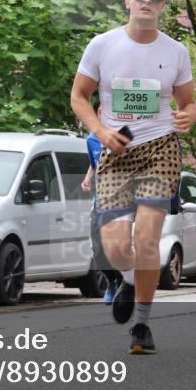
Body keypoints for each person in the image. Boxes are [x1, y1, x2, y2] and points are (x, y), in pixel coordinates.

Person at [70, 0, 196, 355]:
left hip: (160, 149)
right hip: (116, 152)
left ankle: (141, 324)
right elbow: (79, 97)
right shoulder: (102, 45)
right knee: (115, 248)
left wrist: (189, 115)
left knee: (146, 240)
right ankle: (125, 278)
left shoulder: (175, 52)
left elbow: (187, 103)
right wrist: (99, 130)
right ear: (127, 1)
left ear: (161, 5)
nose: (146, 0)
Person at [80, 127, 123, 303]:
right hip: (99, 202)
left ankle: (124, 281)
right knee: (97, 249)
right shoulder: (91, 140)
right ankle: (112, 280)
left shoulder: (122, 136)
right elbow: (94, 163)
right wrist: (88, 178)